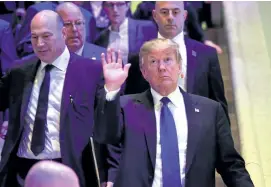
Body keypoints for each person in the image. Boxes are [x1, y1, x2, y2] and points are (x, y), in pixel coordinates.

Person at [0, 10, 130, 187]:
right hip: (22, 173)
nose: (39, 43)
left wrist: (112, 91)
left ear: (63, 33)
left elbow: (108, 132)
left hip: (70, 171)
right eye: (34, 37)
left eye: (46, 36)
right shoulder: (19, 71)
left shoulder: (91, 71)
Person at [106, 38, 254, 187]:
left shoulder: (211, 111)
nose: (162, 67)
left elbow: (231, 166)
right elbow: (105, 136)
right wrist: (111, 90)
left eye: (168, 60)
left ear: (180, 68)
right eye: (153, 62)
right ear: (144, 73)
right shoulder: (125, 107)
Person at [94, 1, 157, 95]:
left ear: (127, 5)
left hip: (142, 93)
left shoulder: (146, 28)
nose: (115, 10)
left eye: (119, 4)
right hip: (114, 94)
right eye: (110, 5)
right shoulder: (100, 38)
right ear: (104, 7)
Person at [133, 1, 223, 54]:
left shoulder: (186, 7)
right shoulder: (145, 8)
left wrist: (207, 44)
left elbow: (197, 35)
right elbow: (132, 32)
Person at [15, 2, 97, 58]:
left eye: (78, 23)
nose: (74, 29)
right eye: (67, 24)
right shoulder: (39, 10)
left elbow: (90, 49)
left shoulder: (88, 16)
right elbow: (25, 48)